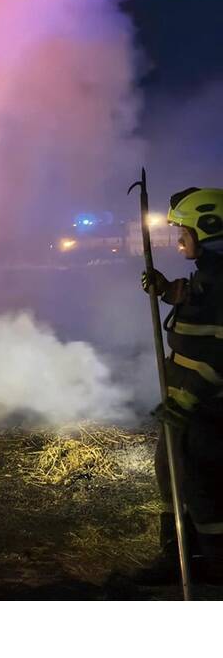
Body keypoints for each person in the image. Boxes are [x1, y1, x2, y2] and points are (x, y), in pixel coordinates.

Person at [141, 186, 223, 584]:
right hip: (186, 404)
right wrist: (165, 288)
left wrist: (187, 399)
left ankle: (214, 565)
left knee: (202, 488)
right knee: (171, 476)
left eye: (184, 234)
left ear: (209, 233)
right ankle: (177, 557)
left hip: (206, 409)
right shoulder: (209, 277)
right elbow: (194, 297)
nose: (178, 242)